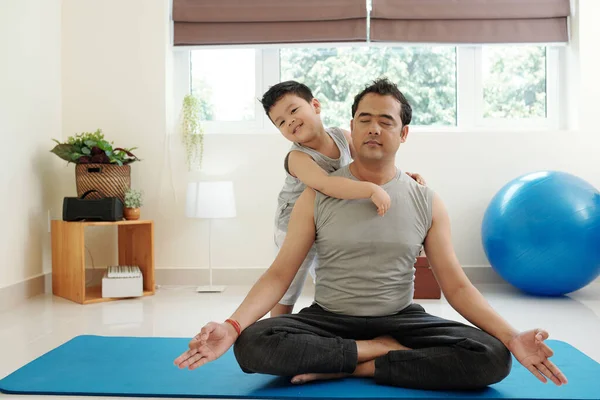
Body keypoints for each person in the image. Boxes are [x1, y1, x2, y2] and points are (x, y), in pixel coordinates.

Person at [174, 78, 568, 391]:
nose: (373, 128)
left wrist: (513, 336)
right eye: (364, 119)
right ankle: (379, 353)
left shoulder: (427, 200)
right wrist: (232, 325)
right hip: (329, 319)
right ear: (350, 129)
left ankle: (355, 367)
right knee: (253, 344)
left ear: (404, 133)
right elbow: (279, 275)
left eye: (386, 120)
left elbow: (459, 288)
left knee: (492, 356)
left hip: (400, 319)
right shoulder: (316, 194)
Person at [261, 81, 425, 317]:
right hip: (293, 227)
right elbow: (326, 185)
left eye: (294, 111)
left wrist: (402, 177)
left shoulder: (341, 136)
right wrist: (370, 190)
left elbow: (370, 165)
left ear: (315, 105)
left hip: (326, 221)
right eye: (281, 122)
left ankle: (342, 320)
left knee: (334, 280)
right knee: (288, 284)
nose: (291, 122)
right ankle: (277, 327)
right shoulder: (298, 157)